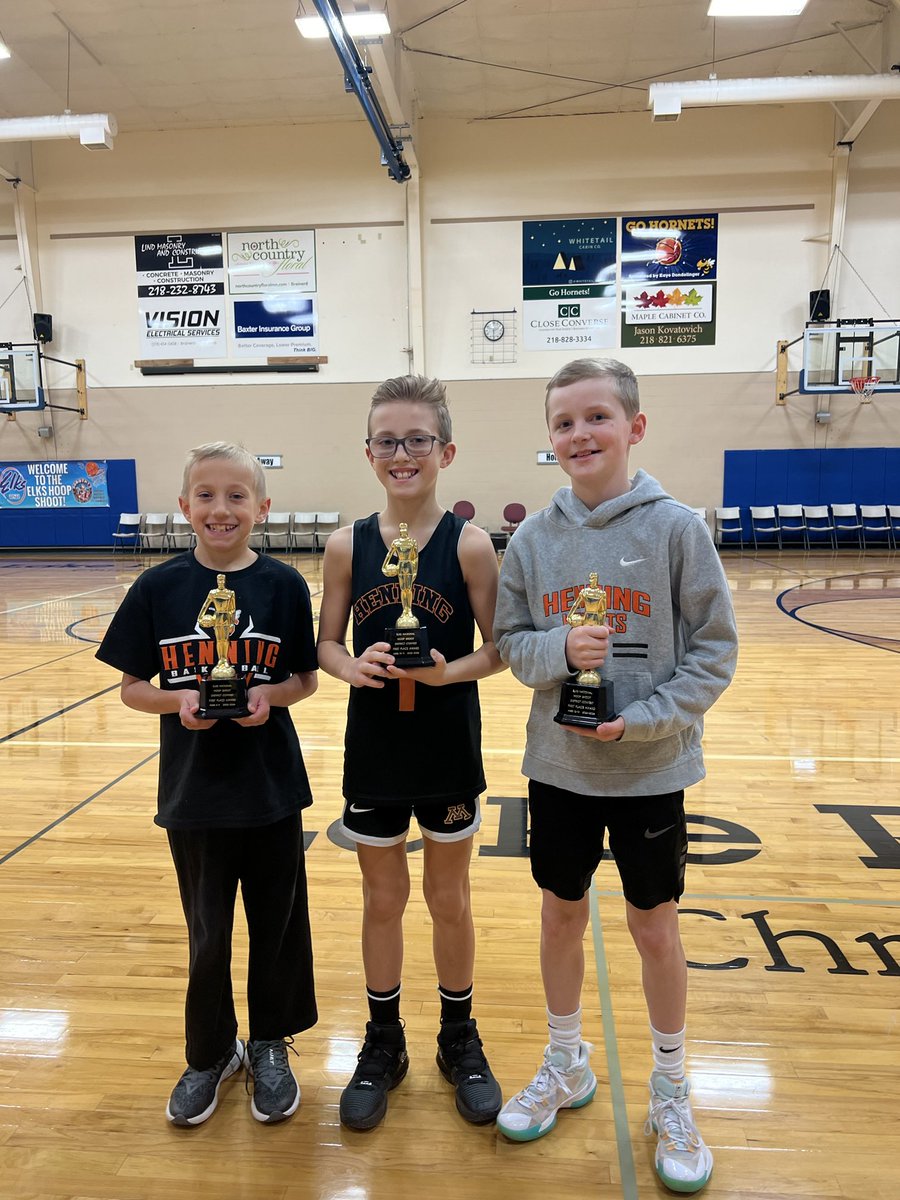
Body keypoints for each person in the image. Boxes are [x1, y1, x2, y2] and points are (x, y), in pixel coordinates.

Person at [492, 358, 737, 1195]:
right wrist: (561, 650)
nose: (579, 434)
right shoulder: (532, 539)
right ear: (550, 439)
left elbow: (714, 650)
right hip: (559, 768)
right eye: (564, 422)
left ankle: (671, 1084)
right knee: (560, 915)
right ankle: (567, 1063)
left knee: (654, 928)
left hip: (650, 767)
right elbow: (512, 644)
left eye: (597, 417)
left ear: (635, 427)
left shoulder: (676, 530)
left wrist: (649, 718)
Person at [95, 442, 318, 1128]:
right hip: (193, 795)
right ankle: (211, 1053)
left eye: (237, 496)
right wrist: (178, 704)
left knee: (277, 928)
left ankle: (271, 1045)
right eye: (207, 496)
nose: (222, 509)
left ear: (262, 507)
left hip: (271, 788)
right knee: (207, 934)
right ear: (186, 505)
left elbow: (305, 679)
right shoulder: (157, 588)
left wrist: (267, 699)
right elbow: (134, 688)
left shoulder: (283, 585)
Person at [317, 374, 506, 1132]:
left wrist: (442, 672)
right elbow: (326, 642)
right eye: (388, 441)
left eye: (417, 440)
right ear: (369, 453)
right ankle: (383, 1041)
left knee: (448, 898)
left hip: (446, 746)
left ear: (445, 450)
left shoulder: (470, 544)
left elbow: (499, 651)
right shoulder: (344, 545)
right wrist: (350, 666)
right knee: (383, 899)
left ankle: (458, 1036)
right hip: (375, 750)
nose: (403, 453)